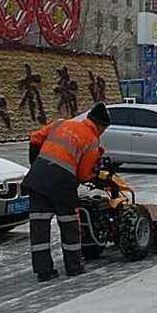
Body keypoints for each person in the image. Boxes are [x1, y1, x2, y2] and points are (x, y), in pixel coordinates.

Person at [23, 102, 110, 282]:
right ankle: (74, 267)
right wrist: (94, 171)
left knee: (39, 227)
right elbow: (84, 174)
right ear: (100, 126)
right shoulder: (92, 141)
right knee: (69, 224)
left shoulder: (61, 123)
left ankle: (44, 271)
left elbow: (35, 138)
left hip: (37, 179)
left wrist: (36, 164)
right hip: (62, 185)